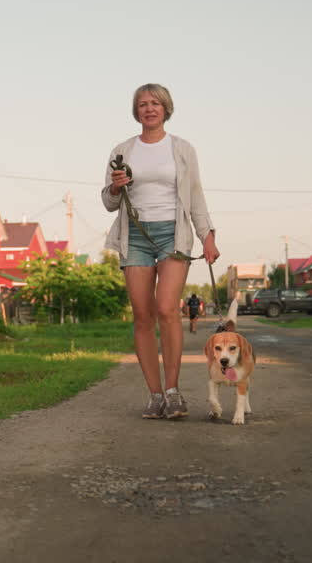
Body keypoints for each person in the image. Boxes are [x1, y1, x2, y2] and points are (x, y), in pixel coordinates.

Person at [102, 84, 218, 420]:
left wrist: (207, 235)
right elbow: (109, 203)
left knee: (167, 309)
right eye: (142, 104)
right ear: (135, 111)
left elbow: (195, 195)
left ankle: (173, 392)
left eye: (155, 103)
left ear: (166, 108)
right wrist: (114, 187)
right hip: (135, 235)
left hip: (173, 233)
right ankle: (154, 396)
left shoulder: (182, 149)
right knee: (143, 316)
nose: (149, 109)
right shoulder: (122, 150)